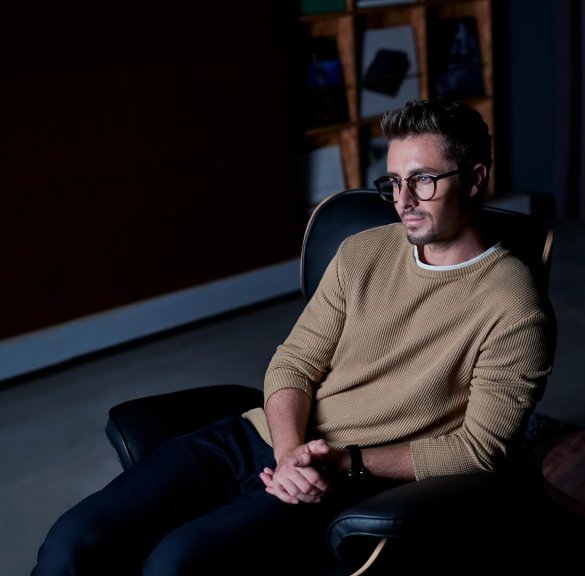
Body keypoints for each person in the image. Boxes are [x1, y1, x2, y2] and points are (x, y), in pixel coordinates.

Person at [33, 99, 556, 575]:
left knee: (174, 564)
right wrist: (288, 451)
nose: (404, 201)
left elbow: (480, 448)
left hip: (344, 472)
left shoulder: (514, 305)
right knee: (72, 540)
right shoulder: (363, 252)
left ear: (473, 179)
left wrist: (342, 462)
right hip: (263, 437)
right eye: (394, 182)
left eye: (423, 180)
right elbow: (295, 362)